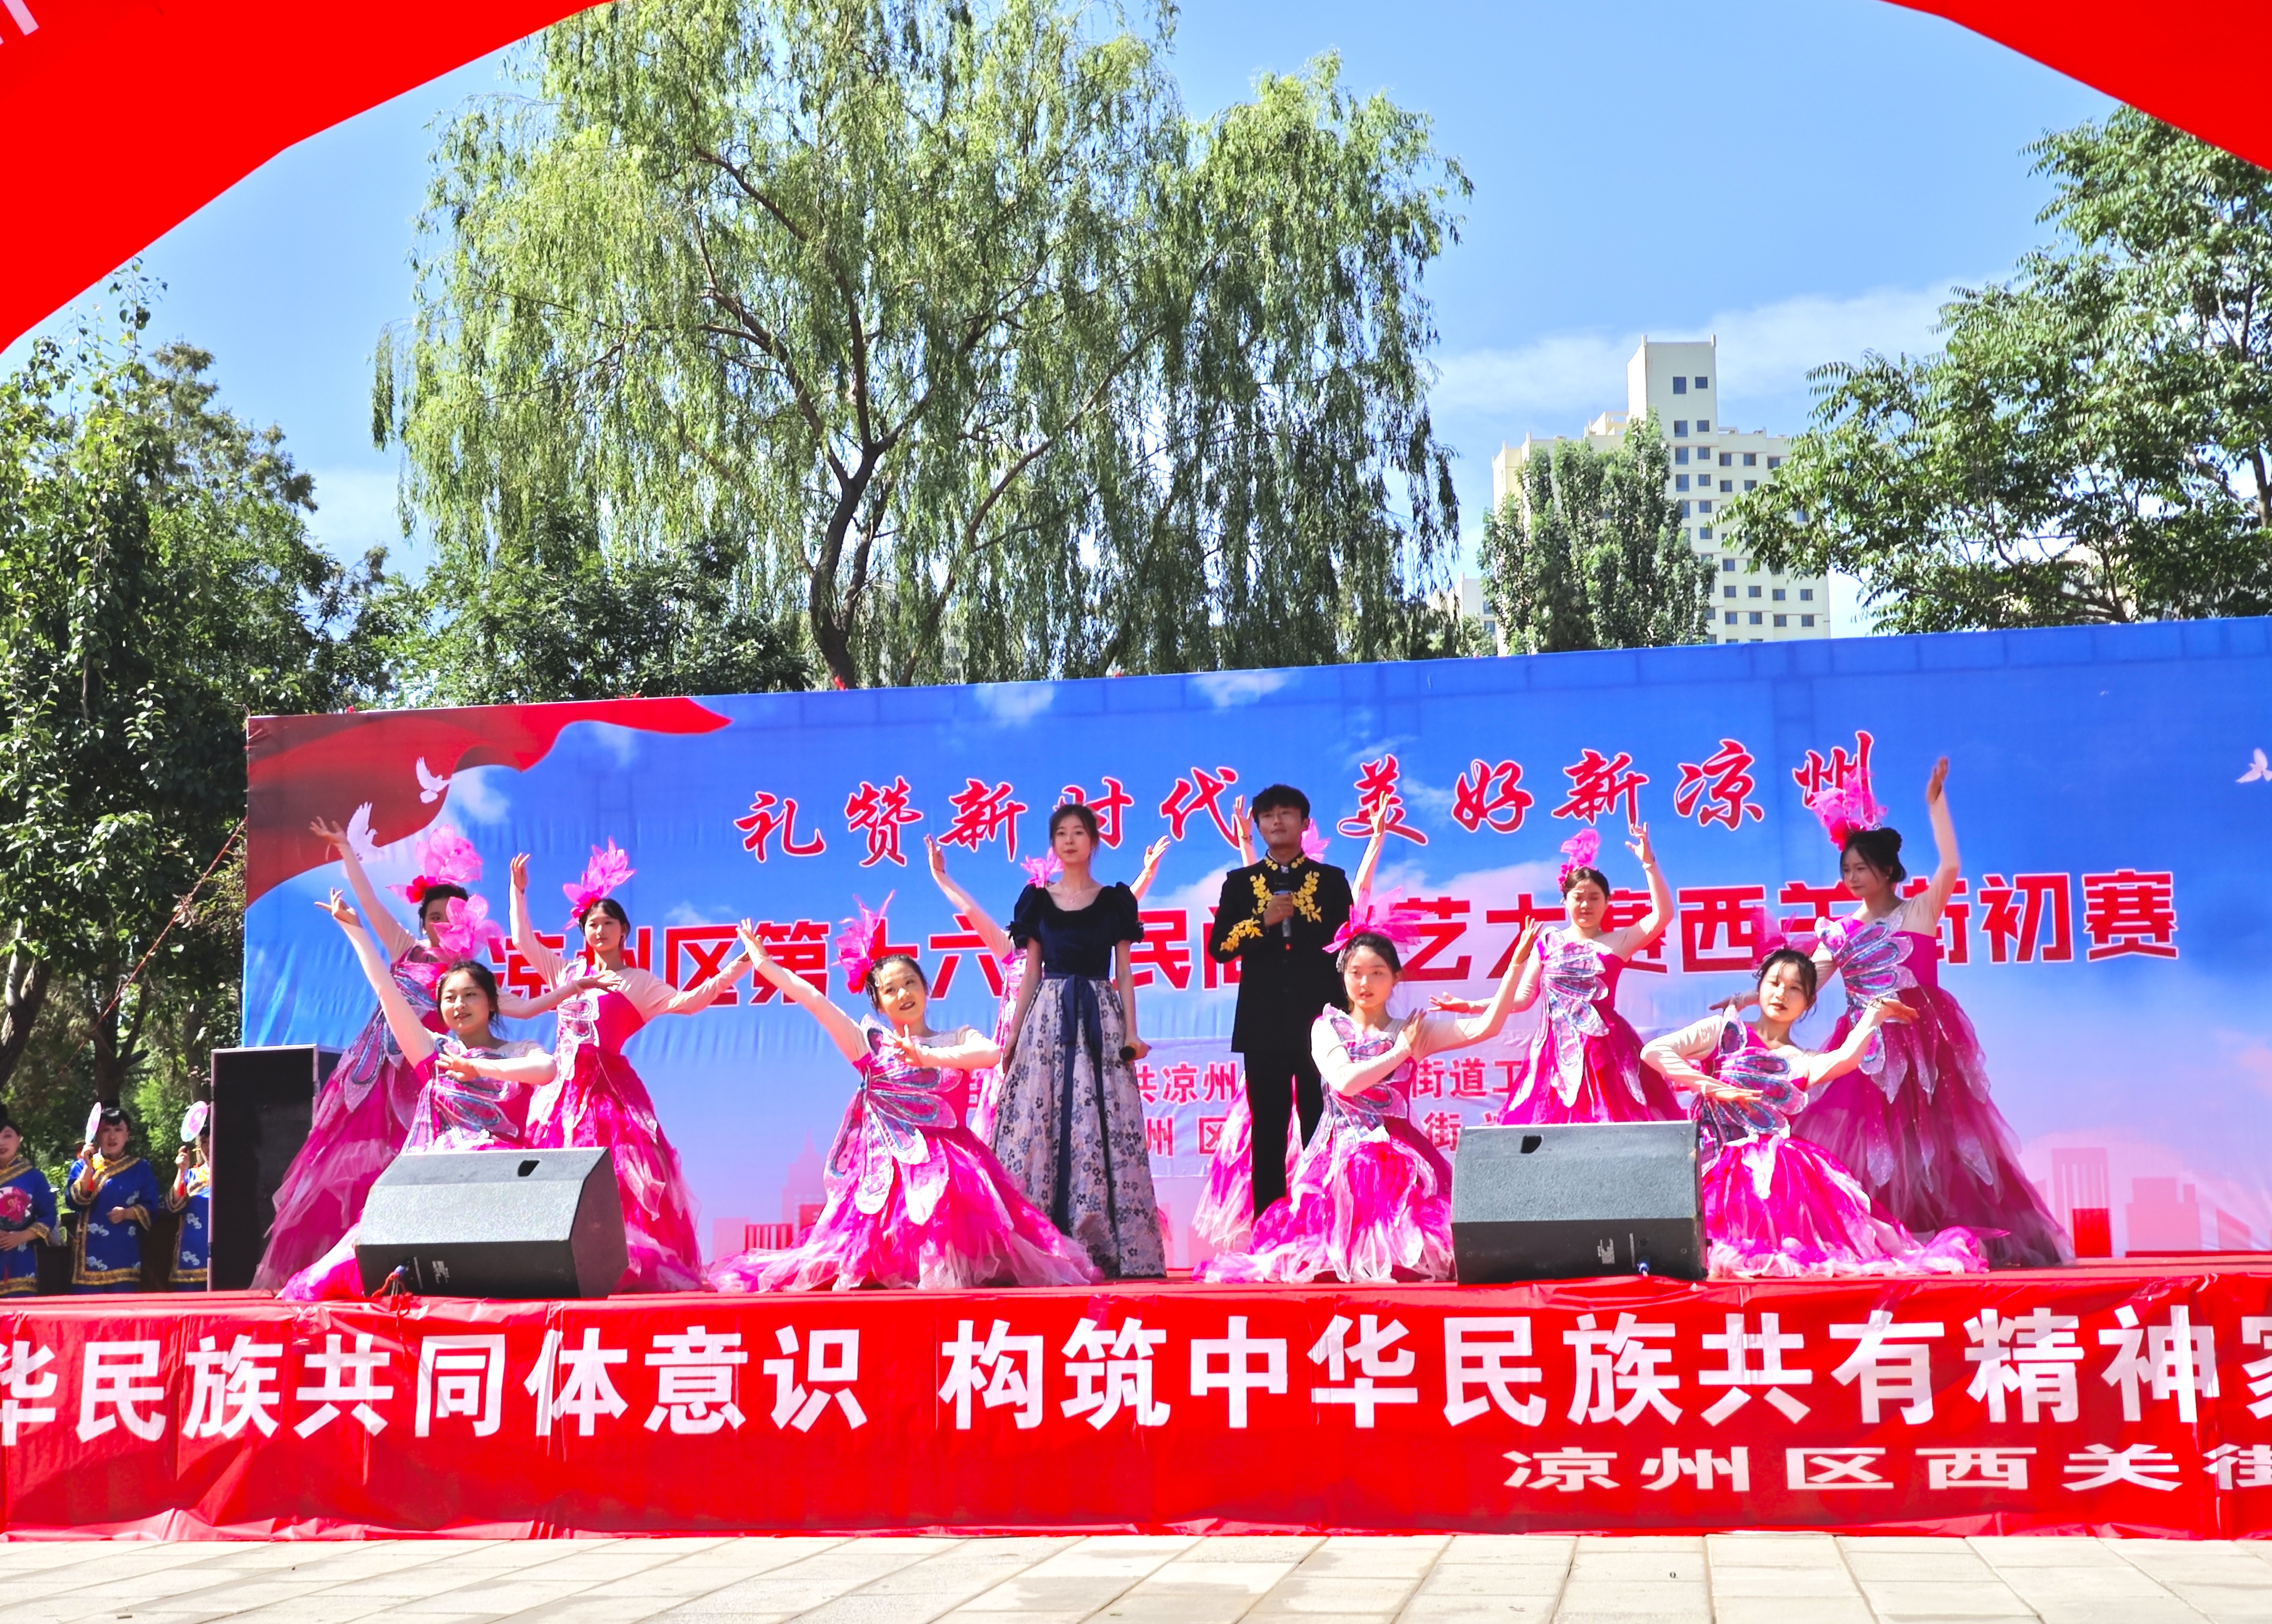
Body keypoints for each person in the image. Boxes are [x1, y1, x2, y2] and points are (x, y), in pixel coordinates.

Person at [256, 818, 577, 1289]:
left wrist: (573, 988)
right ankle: (353, 1265)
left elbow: (529, 1013)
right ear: (423, 921)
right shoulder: (406, 950)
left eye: (453, 916)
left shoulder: (467, 979)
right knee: (347, 1172)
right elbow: (370, 914)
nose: (443, 924)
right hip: (376, 1075)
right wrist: (346, 853)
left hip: (430, 1082)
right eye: (435, 916)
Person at [710, 907, 1097, 1291]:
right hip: (888, 1170)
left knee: (966, 1245)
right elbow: (814, 1000)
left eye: (910, 983)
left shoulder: (957, 1037)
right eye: (890, 990)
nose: (903, 994)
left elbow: (991, 1055)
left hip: (957, 1170)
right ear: (879, 1005)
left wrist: (926, 1056)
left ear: (926, 989)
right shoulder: (870, 1044)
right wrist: (765, 965)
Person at [1791, 758, 2070, 1268]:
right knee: (1870, 1146)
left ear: (1888, 871)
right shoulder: (1839, 931)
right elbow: (1803, 983)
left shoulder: (1918, 910)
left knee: (1941, 1144)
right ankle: (1874, 1241)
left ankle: (1953, 1236)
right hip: (1865, 1048)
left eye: (1861, 869)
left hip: (1924, 1045)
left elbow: (1951, 867)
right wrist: (1751, 1001)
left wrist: (1935, 803)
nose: (1852, 878)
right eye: (1846, 870)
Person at [1195, 915, 1538, 1285]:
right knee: (1330, 1237)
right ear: (1342, 976)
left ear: (1395, 978)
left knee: (1409, 1243)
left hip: (1401, 1156)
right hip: (1338, 1158)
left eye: (1377, 973)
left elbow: (1486, 1026)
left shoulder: (1412, 1030)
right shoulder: (1327, 1028)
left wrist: (1515, 967)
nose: (1365, 983)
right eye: (1356, 973)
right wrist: (1400, 1051)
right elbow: (1346, 1082)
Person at [1643, 945, 1987, 1279]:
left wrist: (1875, 1013)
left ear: (1808, 1002)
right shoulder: (1723, 1031)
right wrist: (1711, 1086)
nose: (1782, 994)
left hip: (1771, 1175)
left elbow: (1845, 1059)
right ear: (1759, 988)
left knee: (1782, 1244)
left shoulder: (1802, 1060)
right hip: (1710, 1161)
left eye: (1795, 989)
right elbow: (1654, 1051)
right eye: (1774, 983)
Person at [510, 842, 749, 1291]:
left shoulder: (637, 982)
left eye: (608, 923)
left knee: (621, 1181)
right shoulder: (567, 974)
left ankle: (621, 1270)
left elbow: (690, 1002)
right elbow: (523, 941)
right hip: (559, 1096)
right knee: (554, 1179)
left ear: (624, 931)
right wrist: (518, 891)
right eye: (591, 924)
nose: (599, 930)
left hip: (608, 1097)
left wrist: (737, 967)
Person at [1196, 801, 1391, 1250]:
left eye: (1286, 814)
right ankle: (1269, 1235)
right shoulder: (1240, 883)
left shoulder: (1330, 880)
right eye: (1268, 816)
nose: (1277, 822)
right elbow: (1220, 947)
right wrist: (1261, 922)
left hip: (1319, 1024)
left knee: (1321, 1125)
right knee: (1267, 1128)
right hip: (1262, 1023)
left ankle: (1324, 1231)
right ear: (1259, 825)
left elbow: (1347, 948)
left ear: (1305, 824)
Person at [988, 803, 1165, 1279]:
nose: (1069, 841)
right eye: (1061, 834)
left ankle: (1101, 1244)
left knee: (1100, 1123)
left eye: (1079, 833)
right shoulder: (1036, 900)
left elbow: (1124, 973)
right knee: (1038, 1122)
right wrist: (1015, 1034)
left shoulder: (1114, 901)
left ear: (1094, 842)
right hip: (1047, 1017)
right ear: (1053, 844)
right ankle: (1037, 1243)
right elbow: (1031, 973)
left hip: (1099, 1015)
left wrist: (1130, 1031)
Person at [927, 832, 1169, 1143]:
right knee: (1020, 1133)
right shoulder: (1013, 949)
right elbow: (972, 913)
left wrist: (1146, 874)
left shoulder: (1082, 936)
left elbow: (1111, 911)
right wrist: (941, 877)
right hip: (1026, 1047)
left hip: (1075, 1042)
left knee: (1077, 1124)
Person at [1491, 824, 1685, 1126]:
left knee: (1613, 1128)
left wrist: (1649, 864)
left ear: (1608, 901)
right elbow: (1523, 998)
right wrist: (1474, 1007)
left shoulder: (1618, 942)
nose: (1586, 905)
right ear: (1565, 900)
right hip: (1553, 1053)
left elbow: (1663, 916)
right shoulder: (1547, 942)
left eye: (1595, 897)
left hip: (1606, 1052)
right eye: (1578, 897)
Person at [66, 1104, 163, 1293]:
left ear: (128, 1135)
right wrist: (88, 1167)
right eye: (106, 1130)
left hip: (124, 1254)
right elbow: (74, 1201)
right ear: (97, 1135)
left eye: (118, 1130)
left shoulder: (140, 1168)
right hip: (88, 1256)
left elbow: (151, 1206)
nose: (112, 1136)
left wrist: (128, 1214)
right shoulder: (81, 1166)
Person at [0, 1109, 56, 1296]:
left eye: (7, 1136)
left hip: (21, 1259)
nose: (1, 1142)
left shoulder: (34, 1177)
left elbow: (49, 1216)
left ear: (19, 1139)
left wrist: (22, 1236)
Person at [166, 1103, 212, 1290]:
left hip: (226, 1257)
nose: (208, 1147)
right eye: (204, 1141)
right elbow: (173, 1206)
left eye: (213, 1140)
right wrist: (181, 1172)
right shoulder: (192, 1175)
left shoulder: (235, 1177)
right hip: (191, 1258)